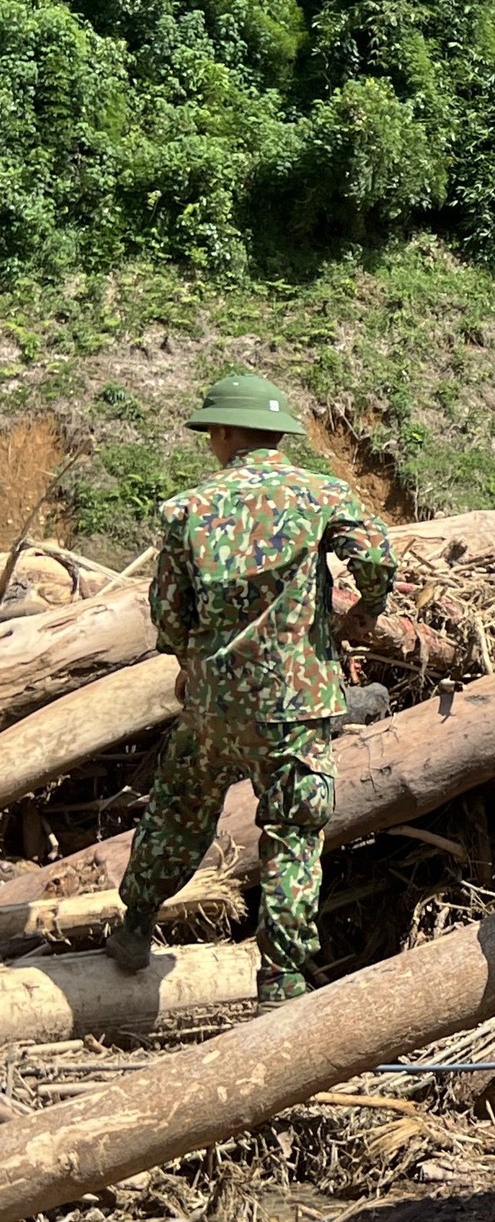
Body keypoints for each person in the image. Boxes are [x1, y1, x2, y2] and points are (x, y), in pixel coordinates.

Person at [104, 374, 396, 1011]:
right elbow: (376, 556)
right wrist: (363, 611)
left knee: (178, 813)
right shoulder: (321, 494)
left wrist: (190, 662)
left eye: (212, 431)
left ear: (226, 433)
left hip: (215, 706)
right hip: (298, 707)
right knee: (293, 835)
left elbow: (169, 613)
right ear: (278, 435)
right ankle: (282, 979)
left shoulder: (187, 510)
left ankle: (134, 928)